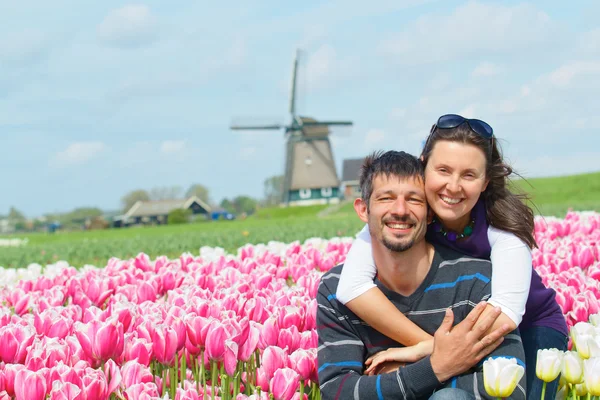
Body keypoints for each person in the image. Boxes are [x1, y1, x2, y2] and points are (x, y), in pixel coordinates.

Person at [335, 114, 568, 399]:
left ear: (485, 182)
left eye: (469, 175)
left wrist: (428, 350)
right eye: (443, 170)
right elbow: (351, 286)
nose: (453, 186)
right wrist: (438, 349)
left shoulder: (503, 228)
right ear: (424, 166)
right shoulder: (408, 217)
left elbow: (505, 313)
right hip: (454, 330)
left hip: (529, 326)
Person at [316, 150, 527, 399]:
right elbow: (337, 391)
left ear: (429, 213)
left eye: (414, 200)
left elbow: (511, 389)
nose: (400, 210)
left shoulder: (475, 280)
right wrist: (436, 366)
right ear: (363, 210)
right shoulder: (334, 290)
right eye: (386, 198)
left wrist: (413, 373)